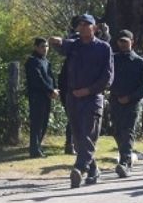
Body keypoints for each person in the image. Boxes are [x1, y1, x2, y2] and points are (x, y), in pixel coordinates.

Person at [48, 14, 114, 189]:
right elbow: (61, 45)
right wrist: (55, 40)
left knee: (88, 135)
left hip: (92, 98)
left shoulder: (104, 48)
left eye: (87, 24)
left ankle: (80, 168)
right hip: (73, 99)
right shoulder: (74, 45)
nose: (83, 27)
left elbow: (107, 77)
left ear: (95, 28)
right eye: (80, 25)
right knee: (78, 139)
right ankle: (93, 170)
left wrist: (89, 90)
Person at [108, 30, 143, 178]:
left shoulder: (139, 62)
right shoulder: (113, 59)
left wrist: (130, 97)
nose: (123, 44)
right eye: (120, 41)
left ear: (132, 42)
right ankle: (124, 157)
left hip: (132, 104)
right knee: (117, 130)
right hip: (115, 101)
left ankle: (125, 162)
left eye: (125, 41)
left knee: (128, 131)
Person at [25, 37, 58, 158]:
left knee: (44, 122)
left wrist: (55, 89)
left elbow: (50, 77)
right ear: (36, 47)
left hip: (46, 96)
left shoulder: (46, 61)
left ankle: (38, 147)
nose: (45, 49)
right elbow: (38, 79)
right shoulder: (32, 61)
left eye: (46, 46)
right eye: (42, 46)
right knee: (37, 123)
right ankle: (34, 150)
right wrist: (50, 90)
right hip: (37, 96)